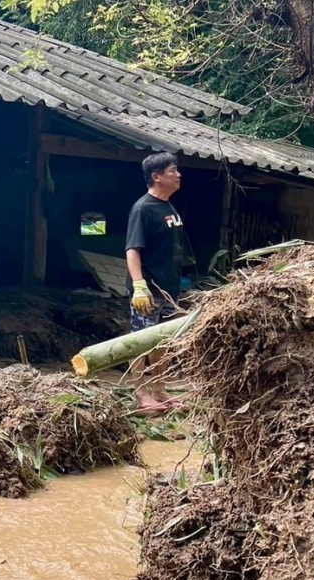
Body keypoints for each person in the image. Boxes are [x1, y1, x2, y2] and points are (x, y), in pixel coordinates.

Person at [124, 151, 185, 414]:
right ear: (156, 177)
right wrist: (139, 285)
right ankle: (141, 394)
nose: (178, 174)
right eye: (173, 170)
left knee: (164, 343)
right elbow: (133, 250)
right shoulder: (142, 209)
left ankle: (160, 391)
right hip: (147, 290)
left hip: (169, 290)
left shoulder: (169, 207)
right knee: (140, 342)